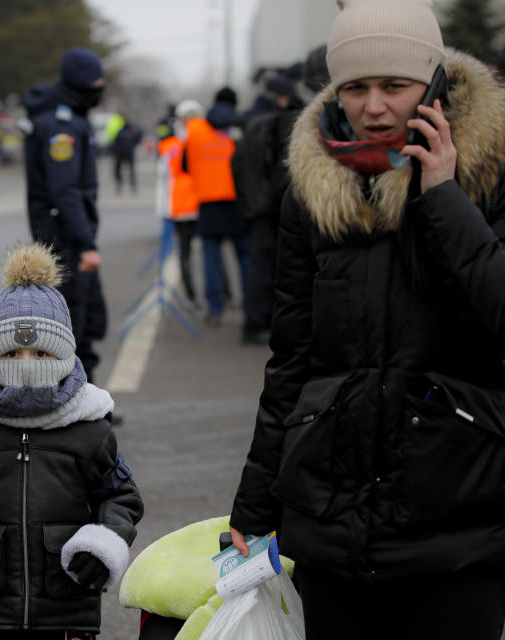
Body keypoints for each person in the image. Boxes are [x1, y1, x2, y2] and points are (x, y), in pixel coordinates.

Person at [229, 0, 505, 638]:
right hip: (332, 526)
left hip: (458, 526)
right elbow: (293, 358)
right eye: (355, 87)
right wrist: (252, 506)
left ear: (433, 84)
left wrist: (445, 198)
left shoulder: (490, 170)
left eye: (395, 86)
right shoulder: (314, 188)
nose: (374, 107)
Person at [0, 243, 144, 639]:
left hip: (68, 605)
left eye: (41, 353)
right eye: (13, 352)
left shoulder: (89, 428)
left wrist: (103, 544)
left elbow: (120, 497)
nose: (27, 365)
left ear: (65, 355)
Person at [23, 48, 108, 382]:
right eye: (96, 83)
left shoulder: (70, 117)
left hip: (69, 234)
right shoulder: (61, 127)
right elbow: (65, 191)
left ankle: (86, 399)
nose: (100, 89)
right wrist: (85, 243)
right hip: (65, 238)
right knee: (74, 324)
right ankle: (74, 404)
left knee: (90, 319)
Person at [232, 72, 305, 345]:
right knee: (269, 268)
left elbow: (238, 166)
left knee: (259, 265)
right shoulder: (277, 122)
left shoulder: (252, 121)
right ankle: (258, 323)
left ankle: (255, 321)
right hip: (270, 208)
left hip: (254, 207)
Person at [183, 86, 249, 326]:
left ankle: (215, 308)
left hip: (208, 203)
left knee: (210, 259)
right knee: (245, 257)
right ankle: (251, 307)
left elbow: (186, 165)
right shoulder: (242, 126)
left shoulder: (195, 129)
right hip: (238, 202)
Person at [156, 99, 204, 305]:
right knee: (201, 253)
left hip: (189, 206)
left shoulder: (171, 145)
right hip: (192, 205)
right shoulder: (173, 145)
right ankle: (198, 295)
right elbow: (163, 180)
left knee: (191, 253)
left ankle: (197, 295)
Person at [112, 116, 143, 194]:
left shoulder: (132, 131)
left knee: (131, 170)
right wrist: (115, 152)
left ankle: (133, 186)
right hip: (120, 153)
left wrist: (133, 145)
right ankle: (119, 185)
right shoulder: (120, 131)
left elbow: (138, 138)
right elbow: (116, 143)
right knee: (117, 170)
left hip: (129, 153)